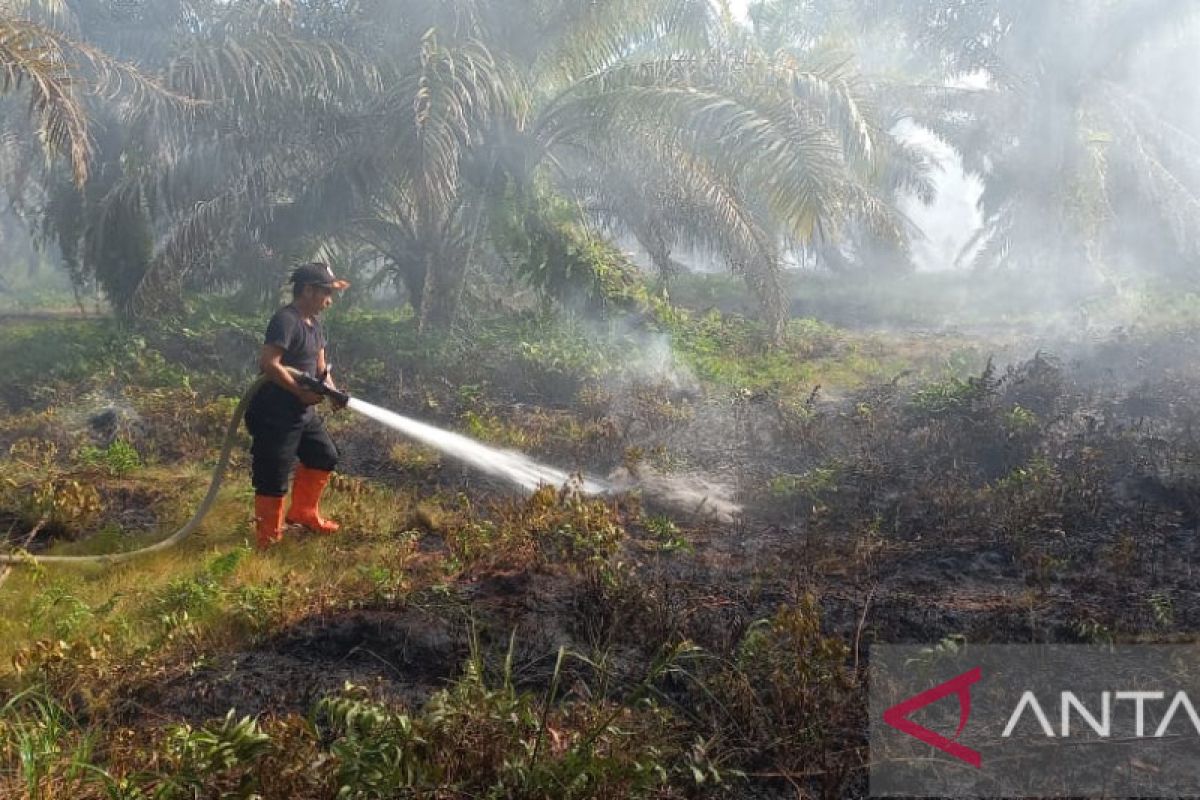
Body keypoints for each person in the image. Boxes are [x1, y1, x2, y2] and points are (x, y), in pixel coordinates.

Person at [245, 262, 350, 549]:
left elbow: (320, 365)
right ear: (307, 290)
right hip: (274, 412)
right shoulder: (286, 320)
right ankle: (268, 537)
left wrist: (332, 391)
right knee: (274, 472)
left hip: (302, 412)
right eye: (326, 293)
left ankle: (303, 512)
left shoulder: (314, 324)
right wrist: (298, 392)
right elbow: (269, 363)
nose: (329, 301)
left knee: (324, 455)